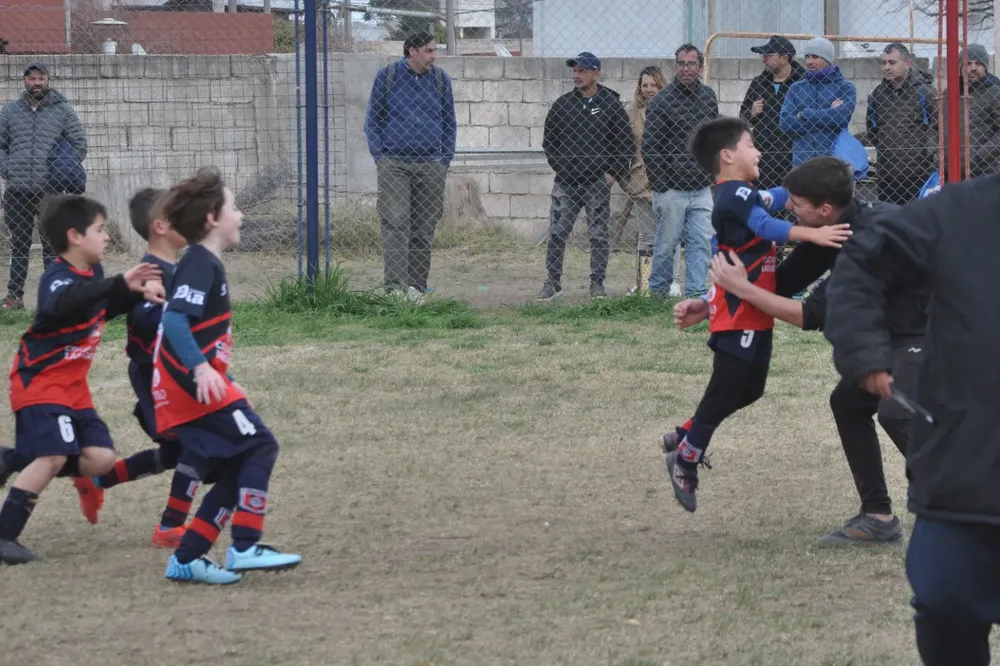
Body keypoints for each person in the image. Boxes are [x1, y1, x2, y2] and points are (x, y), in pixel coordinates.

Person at [677, 156, 928, 544]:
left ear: (823, 208)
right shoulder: (834, 228)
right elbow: (782, 284)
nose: (788, 208)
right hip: (896, 335)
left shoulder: (868, 241)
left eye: (796, 203)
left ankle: (968, 508)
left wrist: (743, 289)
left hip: (939, 332)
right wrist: (714, 304)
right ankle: (878, 516)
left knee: (896, 410)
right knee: (848, 402)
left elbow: (809, 315)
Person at [822, 170, 1000, 665]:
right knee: (944, 601)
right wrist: (864, 348)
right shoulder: (962, 212)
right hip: (966, 466)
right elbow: (864, 259)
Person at [660, 118, 851, 513]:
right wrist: (811, 234)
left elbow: (779, 197)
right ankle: (687, 458)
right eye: (751, 145)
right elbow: (766, 223)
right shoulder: (732, 195)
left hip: (753, 305)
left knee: (752, 389)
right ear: (727, 156)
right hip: (739, 309)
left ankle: (684, 434)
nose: (759, 151)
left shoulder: (744, 192)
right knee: (725, 389)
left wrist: (820, 176)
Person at [153, 167, 301, 585]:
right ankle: (245, 547)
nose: (242, 216)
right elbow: (178, 323)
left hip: (190, 386)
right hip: (188, 388)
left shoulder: (202, 263)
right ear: (213, 218)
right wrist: (202, 369)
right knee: (260, 445)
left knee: (240, 460)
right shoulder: (201, 263)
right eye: (235, 207)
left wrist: (226, 378)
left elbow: (198, 333)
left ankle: (188, 557)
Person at [0, 195, 163, 564]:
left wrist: (136, 295)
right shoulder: (57, 279)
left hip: (74, 389)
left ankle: (12, 460)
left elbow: (101, 307)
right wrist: (119, 283)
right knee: (54, 456)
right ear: (74, 236)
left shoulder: (95, 274)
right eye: (101, 230)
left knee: (100, 459)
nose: (107, 237)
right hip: (40, 382)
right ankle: (5, 534)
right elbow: (64, 304)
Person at [70, 188, 197, 548]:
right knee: (194, 450)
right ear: (160, 226)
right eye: (180, 214)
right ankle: (171, 527)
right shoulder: (152, 273)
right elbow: (144, 322)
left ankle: (99, 481)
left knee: (178, 453)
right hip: (156, 379)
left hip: (173, 378)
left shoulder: (176, 269)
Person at [363, 32, 457, 302]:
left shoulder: (440, 80)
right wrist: (381, 157)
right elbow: (373, 120)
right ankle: (395, 289)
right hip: (395, 165)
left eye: (434, 51)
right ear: (412, 51)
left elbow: (450, 122)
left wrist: (444, 159)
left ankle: (416, 288)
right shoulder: (388, 76)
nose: (434, 56)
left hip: (430, 164)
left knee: (424, 227)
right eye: (429, 51)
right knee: (395, 223)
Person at [538, 51, 633, 301]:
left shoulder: (610, 105)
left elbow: (625, 144)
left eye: (582, 70)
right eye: (575, 70)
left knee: (599, 235)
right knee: (558, 233)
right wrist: (562, 168)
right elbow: (550, 142)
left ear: (595, 73)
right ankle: (553, 282)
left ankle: (597, 283)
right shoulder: (562, 105)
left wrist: (612, 173)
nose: (576, 75)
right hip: (566, 184)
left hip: (595, 184)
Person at [0, 62, 87, 310]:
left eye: (41, 78)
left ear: (48, 80)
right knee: (20, 243)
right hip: (17, 190)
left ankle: (53, 296)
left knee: (51, 244)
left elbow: (79, 142)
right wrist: (8, 170)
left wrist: (61, 170)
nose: (36, 83)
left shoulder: (63, 111)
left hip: (49, 191)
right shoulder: (10, 112)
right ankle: (14, 296)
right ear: (24, 81)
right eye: (31, 79)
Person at [642, 44, 718, 298]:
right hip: (671, 188)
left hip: (701, 187)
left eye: (692, 64)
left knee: (701, 243)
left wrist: (711, 173)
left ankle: (696, 293)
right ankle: (658, 292)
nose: (686, 69)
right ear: (675, 66)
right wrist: (661, 185)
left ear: (700, 67)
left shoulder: (708, 97)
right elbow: (650, 147)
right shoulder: (661, 102)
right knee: (666, 245)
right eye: (682, 64)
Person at [610, 65, 681, 295]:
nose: (650, 89)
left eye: (654, 84)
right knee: (647, 236)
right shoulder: (632, 113)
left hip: (669, 180)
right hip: (641, 181)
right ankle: (644, 282)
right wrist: (627, 180)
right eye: (645, 85)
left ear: (663, 85)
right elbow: (622, 147)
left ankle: (673, 282)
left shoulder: (674, 109)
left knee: (671, 233)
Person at [867, 43, 937, 205]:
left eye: (892, 62)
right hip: (886, 175)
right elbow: (873, 131)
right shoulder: (876, 95)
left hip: (918, 175)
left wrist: (928, 154)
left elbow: (937, 127)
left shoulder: (925, 92)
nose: (886, 67)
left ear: (906, 64)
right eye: (883, 63)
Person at [780, 37, 857, 168]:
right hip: (802, 164)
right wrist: (829, 115)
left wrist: (805, 114)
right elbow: (786, 123)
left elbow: (841, 117)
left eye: (815, 57)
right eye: (807, 57)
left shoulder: (845, 87)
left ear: (827, 59)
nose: (809, 62)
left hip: (833, 162)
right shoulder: (797, 88)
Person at [741, 35, 805, 189]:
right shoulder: (758, 82)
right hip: (763, 159)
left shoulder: (802, 83)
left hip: (793, 156)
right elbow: (742, 115)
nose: (763, 60)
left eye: (768, 56)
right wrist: (751, 112)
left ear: (784, 58)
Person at [942, 43, 1000, 179]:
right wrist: (935, 154)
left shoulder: (995, 93)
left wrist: (979, 156)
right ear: (961, 67)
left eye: (978, 63)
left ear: (985, 67)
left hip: (984, 172)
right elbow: (934, 127)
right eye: (968, 63)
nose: (973, 68)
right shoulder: (948, 94)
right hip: (949, 171)